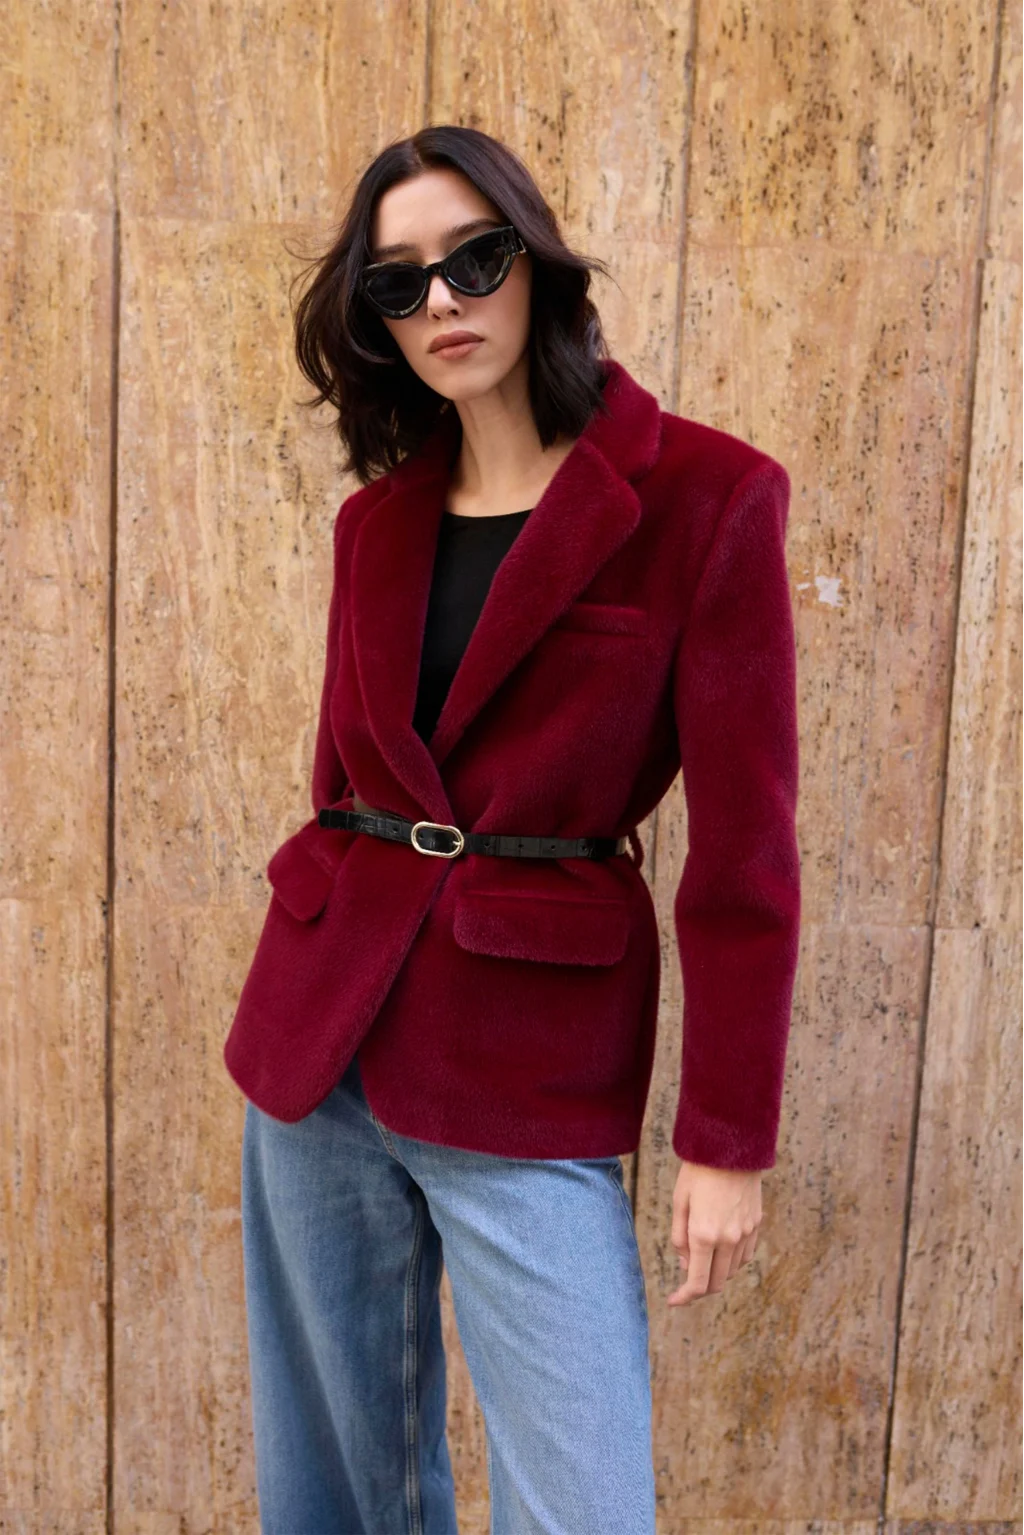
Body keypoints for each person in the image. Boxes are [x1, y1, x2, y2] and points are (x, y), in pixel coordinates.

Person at [229, 124, 801, 1535]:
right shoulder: (378, 524)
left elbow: (746, 856)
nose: (442, 301)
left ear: (537, 264)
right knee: (335, 1488)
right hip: (319, 1047)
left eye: (474, 259)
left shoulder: (706, 497)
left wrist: (725, 1139)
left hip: (528, 1061)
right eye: (399, 283)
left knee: (583, 1501)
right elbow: (343, 784)